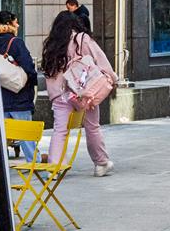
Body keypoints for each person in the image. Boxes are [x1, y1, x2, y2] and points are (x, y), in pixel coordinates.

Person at [41, 10, 115, 176]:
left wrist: (56, 95)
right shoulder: (82, 39)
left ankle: (55, 168)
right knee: (92, 127)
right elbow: (100, 58)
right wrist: (112, 77)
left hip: (61, 94)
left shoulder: (52, 45)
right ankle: (101, 163)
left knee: (60, 130)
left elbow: (49, 73)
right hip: (85, 91)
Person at [0, 11, 40, 159]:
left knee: (0, 139)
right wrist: (33, 82)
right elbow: (29, 68)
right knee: (27, 137)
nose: (17, 25)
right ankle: (37, 168)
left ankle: (2, 171)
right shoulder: (15, 42)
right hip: (19, 98)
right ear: (8, 24)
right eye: (16, 22)